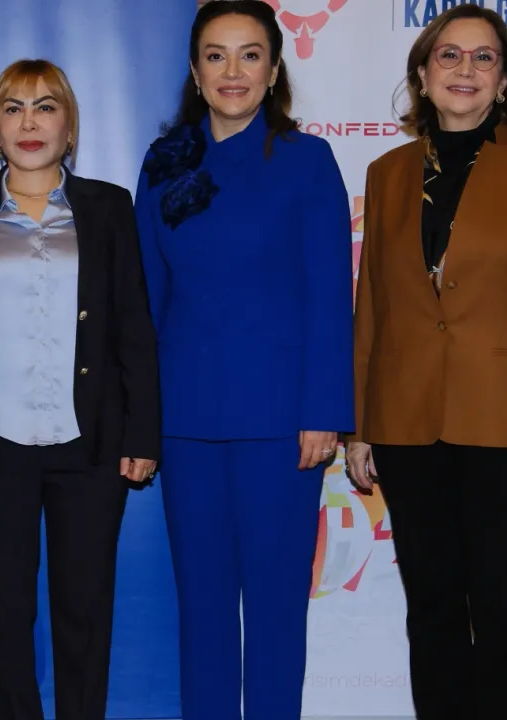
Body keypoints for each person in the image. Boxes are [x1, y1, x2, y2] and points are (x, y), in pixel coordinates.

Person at [345, 6, 507, 719]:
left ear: (505, 79)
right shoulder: (388, 173)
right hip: (407, 425)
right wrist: (361, 424)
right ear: (422, 76)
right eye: (448, 56)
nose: (465, 70)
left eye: (484, 58)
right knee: (431, 610)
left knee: (503, 612)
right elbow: (374, 304)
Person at [133, 1, 354, 718]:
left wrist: (324, 411)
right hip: (184, 418)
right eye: (216, 55)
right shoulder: (163, 162)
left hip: (281, 423)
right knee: (200, 607)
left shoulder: (306, 161)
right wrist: (140, 417)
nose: (233, 71)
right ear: (195, 71)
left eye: (250, 54)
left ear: (274, 69)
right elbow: (145, 298)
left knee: (276, 608)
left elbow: (330, 295)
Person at [0, 59, 161, 720]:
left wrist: (142, 432)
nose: (30, 122)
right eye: (14, 108)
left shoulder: (108, 207)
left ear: (69, 126)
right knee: (4, 614)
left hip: (90, 445)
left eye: (46, 106)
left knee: (86, 611)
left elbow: (134, 326)